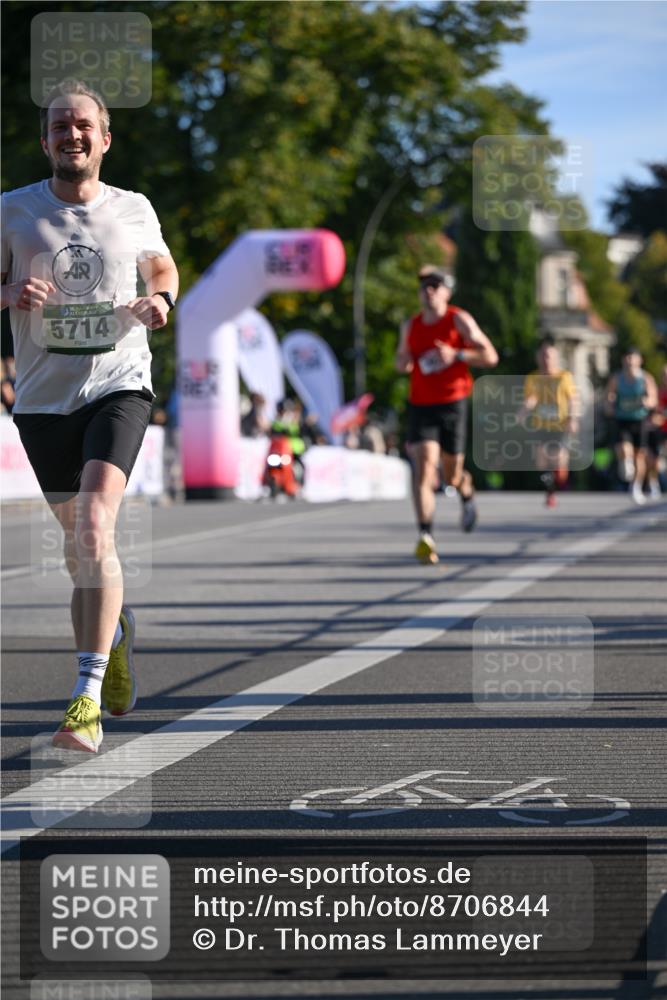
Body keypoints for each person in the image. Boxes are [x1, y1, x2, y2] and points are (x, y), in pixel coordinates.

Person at [1, 80, 178, 752]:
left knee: (98, 523)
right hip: (44, 401)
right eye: (57, 126)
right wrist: (10, 290)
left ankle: (85, 698)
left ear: (104, 137)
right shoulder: (13, 211)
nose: (70, 135)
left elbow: (163, 267)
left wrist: (161, 299)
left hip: (119, 384)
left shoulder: (133, 208)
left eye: (82, 125)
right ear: (45, 140)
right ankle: (119, 630)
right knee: (85, 551)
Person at [396, 265, 499, 564]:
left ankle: (466, 493)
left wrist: (456, 354)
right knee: (424, 466)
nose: (428, 291)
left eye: (434, 285)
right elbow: (401, 360)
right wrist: (404, 361)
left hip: (452, 402)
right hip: (421, 404)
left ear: (447, 292)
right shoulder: (411, 326)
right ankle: (425, 536)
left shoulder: (459, 320)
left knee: (451, 474)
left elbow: (491, 356)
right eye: (423, 286)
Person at [519, 337, 578, 507]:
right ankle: (550, 492)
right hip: (541, 424)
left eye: (549, 356)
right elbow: (530, 398)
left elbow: (572, 399)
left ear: (556, 358)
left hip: (560, 424)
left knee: (559, 461)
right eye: (543, 356)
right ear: (538, 358)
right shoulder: (533, 378)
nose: (546, 360)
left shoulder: (564, 377)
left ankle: (560, 480)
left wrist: (573, 418)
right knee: (541, 460)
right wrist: (522, 413)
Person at [605, 347, 657, 504]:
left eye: (633, 358)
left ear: (639, 361)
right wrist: (609, 405)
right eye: (627, 358)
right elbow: (608, 397)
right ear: (623, 360)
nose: (629, 361)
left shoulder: (645, 379)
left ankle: (636, 486)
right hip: (622, 419)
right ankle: (625, 462)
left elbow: (653, 399)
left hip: (639, 420)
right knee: (622, 447)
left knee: (639, 456)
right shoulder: (617, 378)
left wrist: (647, 402)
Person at [645, 363, 667, 500]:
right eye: (664, 375)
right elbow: (652, 415)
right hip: (659, 432)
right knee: (655, 462)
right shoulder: (658, 393)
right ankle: (653, 485)